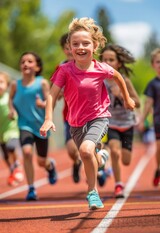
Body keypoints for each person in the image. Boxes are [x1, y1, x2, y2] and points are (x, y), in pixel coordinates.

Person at [40, 17, 135, 210]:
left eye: (86, 43)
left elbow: (118, 76)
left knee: (84, 150)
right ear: (69, 47)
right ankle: (103, 158)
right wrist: (48, 118)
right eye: (75, 44)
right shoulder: (65, 70)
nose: (80, 47)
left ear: (95, 45)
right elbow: (52, 94)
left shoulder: (100, 68)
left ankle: (92, 192)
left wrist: (127, 98)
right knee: (89, 155)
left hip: (98, 118)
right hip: (75, 122)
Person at [8, 52, 57, 201]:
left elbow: (50, 102)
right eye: (23, 62)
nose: (25, 64)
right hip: (24, 125)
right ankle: (31, 189)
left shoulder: (42, 83)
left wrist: (42, 104)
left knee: (42, 161)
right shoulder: (15, 85)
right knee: (27, 152)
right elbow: (10, 99)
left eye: (30, 61)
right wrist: (11, 109)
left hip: (41, 126)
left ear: (37, 67)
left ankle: (50, 166)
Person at [99, 44, 140, 198]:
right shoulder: (100, 82)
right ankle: (118, 185)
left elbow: (138, 102)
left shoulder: (125, 81)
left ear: (118, 63)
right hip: (111, 123)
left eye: (112, 59)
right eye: (105, 59)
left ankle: (109, 170)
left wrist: (123, 95)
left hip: (127, 124)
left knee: (126, 161)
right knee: (114, 152)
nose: (108, 62)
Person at [58, 33, 82, 183]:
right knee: (71, 150)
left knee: (90, 148)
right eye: (66, 48)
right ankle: (77, 162)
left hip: (88, 114)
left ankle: (98, 172)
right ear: (63, 50)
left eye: (71, 47)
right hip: (69, 116)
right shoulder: (60, 68)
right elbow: (55, 91)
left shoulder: (85, 64)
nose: (69, 50)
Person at [138, 48, 160, 187]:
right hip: (159, 121)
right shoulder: (152, 84)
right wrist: (142, 119)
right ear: (153, 65)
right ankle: (159, 168)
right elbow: (148, 104)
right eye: (158, 62)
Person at [0, 71, 24, 186]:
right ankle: (12, 170)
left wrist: (14, 113)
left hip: (11, 130)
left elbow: (17, 108)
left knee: (11, 147)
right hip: (1, 132)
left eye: (1, 82)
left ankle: (17, 165)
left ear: (7, 85)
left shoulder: (9, 98)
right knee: (5, 155)